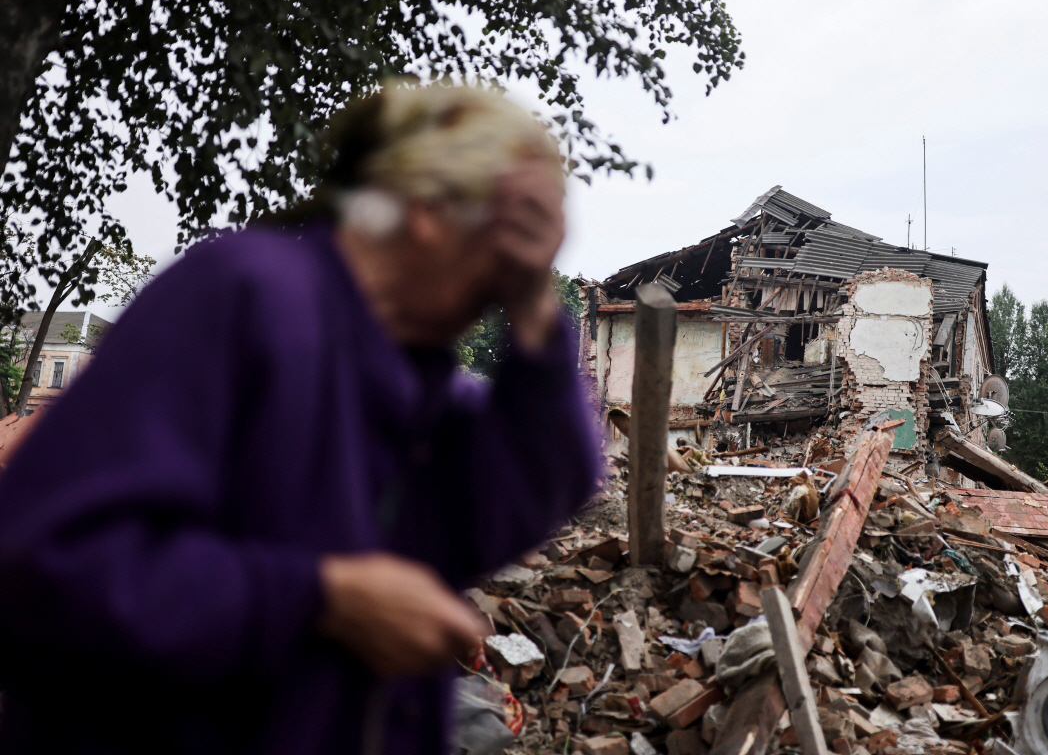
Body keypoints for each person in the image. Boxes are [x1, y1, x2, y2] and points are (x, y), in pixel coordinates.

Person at [0, 84, 600, 754]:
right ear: (430, 211)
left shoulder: (418, 380)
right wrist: (321, 601)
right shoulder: (248, 294)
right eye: (517, 232)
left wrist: (538, 319)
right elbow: (45, 564)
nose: (519, 269)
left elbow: (520, 502)